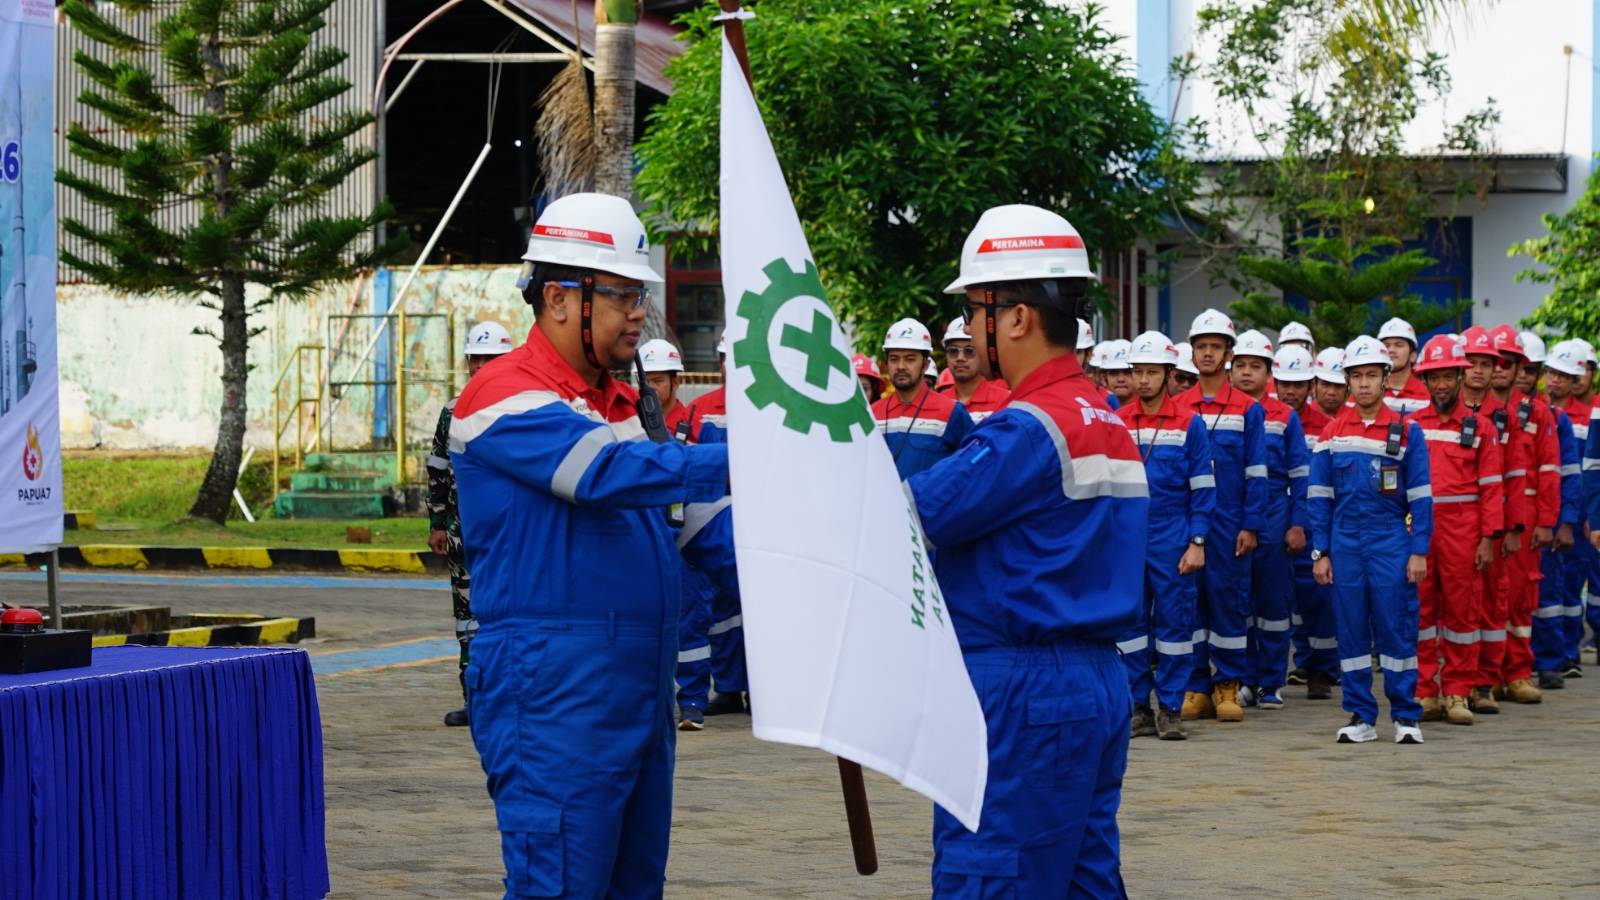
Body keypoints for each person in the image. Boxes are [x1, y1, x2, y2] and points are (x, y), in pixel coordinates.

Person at [449, 193, 733, 897]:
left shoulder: (624, 405)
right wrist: (758, 458)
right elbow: (604, 473)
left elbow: (692, 526)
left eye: (640, 295)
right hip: (554, 695)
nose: (639, 312)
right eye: (623, 295)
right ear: (558, 298)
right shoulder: (502, 395)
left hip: (636, 691)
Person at [910, 203, 1146, 897]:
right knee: (1083, 880)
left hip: (1021, 692)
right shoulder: (1106, 419)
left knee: (991, 878)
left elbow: (914, 516)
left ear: (1015, 316)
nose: (967, 329)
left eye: (976, 309)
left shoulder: (1025, 429)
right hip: (1096, 682)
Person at [1308, 335, 1433, 744]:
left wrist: (1418, 550)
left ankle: (1405, 716)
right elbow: (1319, 499)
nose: (1363, 384)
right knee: (1352, 631)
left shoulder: (1406, 432)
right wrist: (1320, 552)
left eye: (1371, 376)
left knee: (1396, 629)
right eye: (1356, 376)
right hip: (1344, 544)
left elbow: (1420, 496)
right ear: (1347, 381)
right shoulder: (1330, 434)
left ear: (1385, 379)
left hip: (1390, 540)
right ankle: (1361, 716)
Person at [1116, 330, 1213, 741]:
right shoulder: (1117, 422)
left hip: (1172, 534)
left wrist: (1197, 541)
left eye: (1151, 372)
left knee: (1176, 626)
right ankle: (1138, 705)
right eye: (1137, 371)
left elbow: (1204, 487)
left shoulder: (1190, 424)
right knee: (1129, 626)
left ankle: (1170, 707)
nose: (1142, 380)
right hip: (1126, 537)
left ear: (1169, 375)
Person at [1407, 334, 1503, 726]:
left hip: (1465, 530)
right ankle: (1425, 691)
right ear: (1425, 382)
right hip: (1422, 530)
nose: (1442, 384)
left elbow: (1493, 486)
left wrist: (1487, 538)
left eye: (1449, 376)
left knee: (1464, 615)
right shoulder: (1410, 425)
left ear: (1460, 378)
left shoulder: (1480, 427)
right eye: (1435, 378)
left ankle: (1458, 691)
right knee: (1420, 613)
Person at [1177, 308, 1267, 722]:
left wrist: (1251, 524)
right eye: (1201, 347)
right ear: (1192, 354)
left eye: (1216, 346)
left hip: (1231, 522)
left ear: (1229, 353)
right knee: (1190, 604)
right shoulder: (1178, 407)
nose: (1208, 354)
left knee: (1230, 603)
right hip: (1191, 519)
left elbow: (1257, 472)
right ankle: (1196, 685)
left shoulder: (1248, 409)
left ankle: (1227, 684)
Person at [428, 320, 515, 727]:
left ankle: (514, 699)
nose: (482, 366)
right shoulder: (452, 412)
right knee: (468, 624)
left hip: (513, 539)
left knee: (514, 619)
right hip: (464, 539)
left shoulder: (521, 409)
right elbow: (438, 472)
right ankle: (475, 699)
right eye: (476, 359)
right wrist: (438, 523)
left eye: (491, 359)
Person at [637, 337, 716, 730]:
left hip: (686, 536)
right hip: (642, 536)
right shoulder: (631, 424)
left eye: (658, 380)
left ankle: (693, 701)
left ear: (675, 382)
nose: (651, 388)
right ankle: (651, 701)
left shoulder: (695, 422)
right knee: (646, 619)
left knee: (690, 618)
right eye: (645, 380)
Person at [1230, 332, 1308, 709]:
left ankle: (1271, 681)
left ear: (1269, 373)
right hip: (1233, 512)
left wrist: (1298, 523)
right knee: (1238, 600)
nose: (1247, 373)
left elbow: (1299, 474)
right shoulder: (1223, 412)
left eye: (1255, 367)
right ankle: (1245, 678)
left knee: (1273, 603)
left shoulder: (1284, 416)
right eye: (1241, 365)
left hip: (1275, 512)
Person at [1488, 324, 1557, 706]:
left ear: (1519, 369)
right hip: (1479, 512)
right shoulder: (1475, 410)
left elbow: (1548, 468)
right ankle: (1486, 675)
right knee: (1482, 597)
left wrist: (1546, 520)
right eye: (1495, 363)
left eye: (1509, 363)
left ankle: (1516, 673)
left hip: (1524, 514)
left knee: (1518, 596)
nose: (1500, 370)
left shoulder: (1537, 413)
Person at [1458, 325, 1521, 715]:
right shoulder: (1445, 412)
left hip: (1491, 526)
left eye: (1486, 364)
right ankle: (1454, 683)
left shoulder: (1505, 416)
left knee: (1492, 605)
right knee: (1452, 609)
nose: (1479, 371)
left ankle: (1484, 682)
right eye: (1473, 364)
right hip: (1452, 525)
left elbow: (1513, 476)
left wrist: (1510, 528)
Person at [684, 336, 748, 716]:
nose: (730, 366)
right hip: (715, 523)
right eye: (725, 359)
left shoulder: (770, 407)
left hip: (760, 518)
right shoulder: (701, 410)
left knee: (759, 608)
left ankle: (761, 689)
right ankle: (727, 687)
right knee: (722, 614)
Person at [1279, 345, 1339, 698]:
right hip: (1276, 520)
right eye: (1284, 383)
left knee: (1318, 599)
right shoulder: (1267, 420)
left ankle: (1323, 670)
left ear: (1310, 385)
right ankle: (1296, 663)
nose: (1291, 390)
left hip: (1313, 523)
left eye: (1299, 384)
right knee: (1276, 602)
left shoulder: (1327, 427)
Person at [1533, 339, 1585, 689]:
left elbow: (1570, 473)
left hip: (1548, 519)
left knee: (1550, 595)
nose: (1553, 380)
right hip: (1510, 522)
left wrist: (1566, 522)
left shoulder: (1556, 418)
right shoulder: (1500, 416)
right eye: (1549, 372)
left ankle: (1552, 662)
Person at [872, 318, 974, 479]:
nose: (901, 366)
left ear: (925, 365)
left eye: (910, 359)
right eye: (894, 359)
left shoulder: (951, 412)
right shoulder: (872, 413)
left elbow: (972, 468)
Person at [938, 316, 1011, 421]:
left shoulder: (1004, 401)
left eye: (969, 351)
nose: (960, 358)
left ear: (983, 353)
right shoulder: (938, 402)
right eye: (953, 351)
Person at [1377, 317, 1430, 415]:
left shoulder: (1428, 394)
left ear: (1413, 356)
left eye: (1399, 345)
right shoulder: (1366, 390)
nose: (1391, 350)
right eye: (1386, 345)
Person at [1312, 348, 1348, 418]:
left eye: (1338, 386)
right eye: (1326, 384)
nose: (1331, 392)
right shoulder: (1297, 419)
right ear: (1314, 384)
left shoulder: (1361, 419)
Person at [1102, 338, 1134, 407]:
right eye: (1114, 373)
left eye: (1127, 372)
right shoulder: (1096, 408)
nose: (1121, 379)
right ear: (1104, 378)